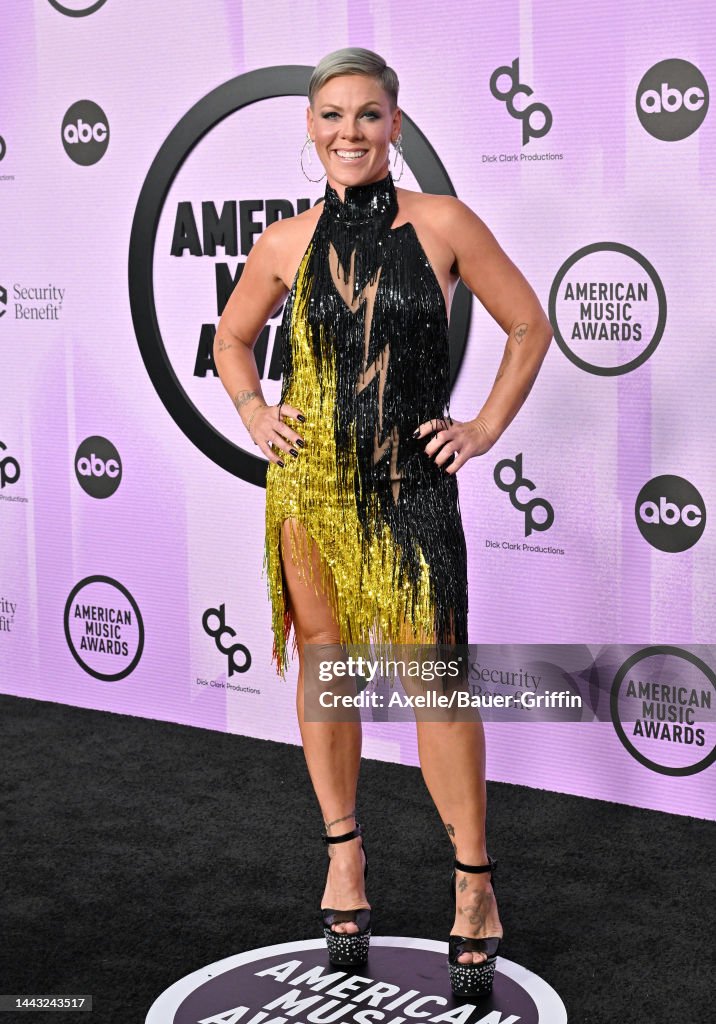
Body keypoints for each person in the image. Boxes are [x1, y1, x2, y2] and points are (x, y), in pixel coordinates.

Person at [214, 47, 553, 997]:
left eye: (367, 115)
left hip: (410, 489)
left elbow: (529, 324)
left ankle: (474, 884)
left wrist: (482, 426)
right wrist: (251, 410)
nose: (348, 132)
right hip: (310, 487)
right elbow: (232, 338)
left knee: (436, 681)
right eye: (331, 115)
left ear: (395, 127)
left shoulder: (442, 223)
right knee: (328, 666)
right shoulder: (284, 241)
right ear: (310, 129)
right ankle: (345, 857)